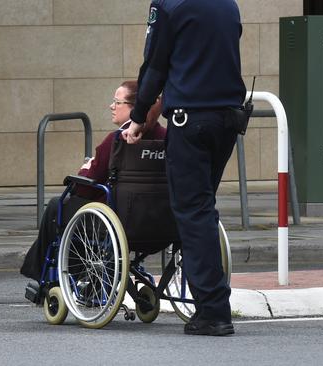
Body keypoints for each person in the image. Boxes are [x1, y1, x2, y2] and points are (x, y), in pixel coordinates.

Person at [122, 0, 246, 336]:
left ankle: (213, 311)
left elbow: (155, 66)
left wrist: (138, 116)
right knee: (203, 209)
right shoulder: (228, 4)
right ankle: (208, 294)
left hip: (190, 119)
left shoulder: (169, 4)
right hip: (228, 118)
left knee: (193, 211)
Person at [20, 80, 165, 284]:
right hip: (161, 223)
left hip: (121, 221)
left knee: (57, 207)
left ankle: (45, 277)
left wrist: (86, 167)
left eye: (117, 102)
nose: (111, 106)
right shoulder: (166, 139)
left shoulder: (116, 141)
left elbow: (85, 187)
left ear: (135, 108)